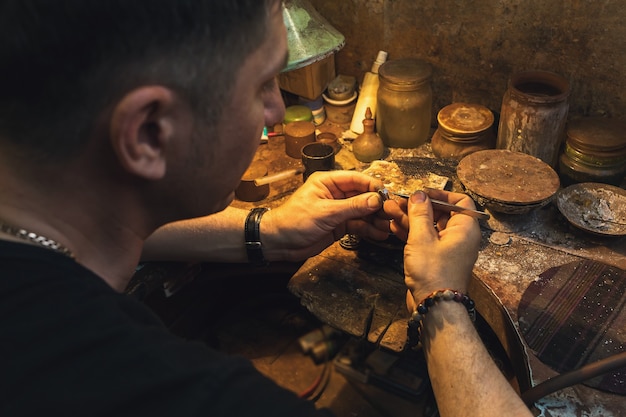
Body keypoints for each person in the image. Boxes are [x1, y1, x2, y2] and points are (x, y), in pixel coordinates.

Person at [0, 1, 531, 416]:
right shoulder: (187, 397)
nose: (277, 109)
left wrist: (265, 229)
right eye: (260, 85)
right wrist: (442, 302)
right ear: (147, 133)